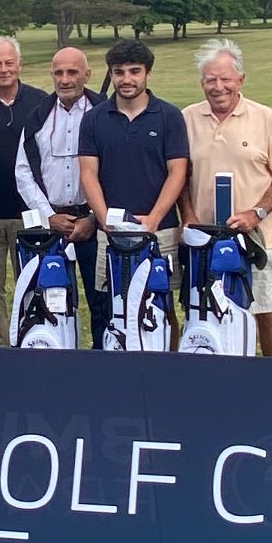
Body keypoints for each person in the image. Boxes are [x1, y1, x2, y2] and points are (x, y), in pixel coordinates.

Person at [181, 38, 272, 357]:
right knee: (205, 309)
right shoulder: (187, 118)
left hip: (256, 237)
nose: (218, 87)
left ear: (241, 80)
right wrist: (188, 215)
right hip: (204, 239)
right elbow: (180, 177)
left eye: (225, 79)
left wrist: (256, 212)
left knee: (266, 310)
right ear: (201, 83)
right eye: (210, 80)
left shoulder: (264, 117)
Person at [78, 38, 189, 343]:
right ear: (111, 74)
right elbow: (88, 173)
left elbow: (178, 171)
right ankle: (119, 364)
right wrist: (105, 220)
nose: (126, 79)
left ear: (147, 73)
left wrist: (154, 218)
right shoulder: (94, 118)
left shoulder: (169, 116)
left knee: (162, 306)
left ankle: (167, 364)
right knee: (113, 306)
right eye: (119, 72)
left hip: (159, 230)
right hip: (110, 233)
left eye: (134, 71)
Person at [13, 46, 105, 347]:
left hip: (94, 224)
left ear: (87, 75)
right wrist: (48, 216)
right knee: (48, 299)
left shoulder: (104, 113)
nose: (65, 80)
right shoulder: (37, 116)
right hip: (51, 223)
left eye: (72, 72)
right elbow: (23, 171)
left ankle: (103, 356)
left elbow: (115, 171)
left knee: (101, 301)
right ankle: (56, 353)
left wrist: (92, 218)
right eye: (59, 73)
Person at [0, 35, 48, 344]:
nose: (3, 69)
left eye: (9, 63)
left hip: (29, 212)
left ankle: (31, 337)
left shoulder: (40, 102)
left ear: (20, 64)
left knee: (32, 282)